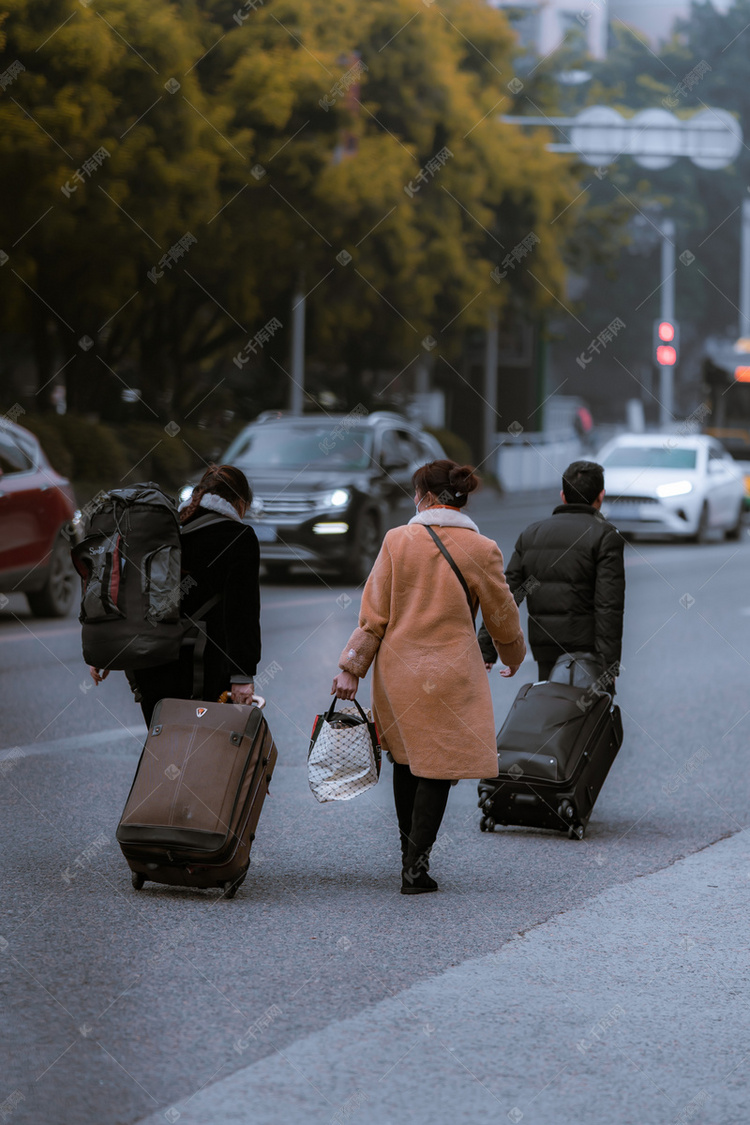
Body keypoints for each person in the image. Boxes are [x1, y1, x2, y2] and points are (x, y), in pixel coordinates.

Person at [331, 459, 526, 895]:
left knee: (407, 759)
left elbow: (373, 617)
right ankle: (415, 868)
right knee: (436, 768)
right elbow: (501, 614)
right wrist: (512, 653)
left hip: (399, 672)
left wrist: (351, 668)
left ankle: (409, 858)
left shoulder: (398, 541)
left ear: (426, 496)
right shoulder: (483, 548)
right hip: (453, 674)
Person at [90, 464, 261, 725]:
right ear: (239, 501)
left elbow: (124, 589)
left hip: (148, 664)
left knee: (164, 748)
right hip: (201, 665)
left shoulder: (162, 528)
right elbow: (242, 611)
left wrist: (106, 647)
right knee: (201, 752)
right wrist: (242, 675)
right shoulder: (239, 537)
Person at [478, 459, 625, 684]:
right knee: (589, 714)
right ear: (601, 496)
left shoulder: (532, 534)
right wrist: (609, 665)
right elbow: (608, 605)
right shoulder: (605, 535)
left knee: (552, 709)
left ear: (563, 496)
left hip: (545, 647)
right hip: (588, 652)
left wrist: (486, 648)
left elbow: (507, 596)